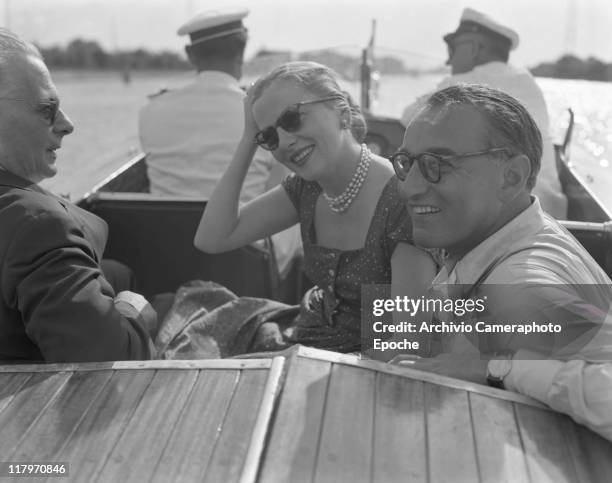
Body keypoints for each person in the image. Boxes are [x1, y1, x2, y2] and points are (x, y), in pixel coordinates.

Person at [391, 83, 612, 441]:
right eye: (406, 163)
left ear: (511, 178)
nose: (410, 187)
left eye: (438, 165)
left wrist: (498, 367)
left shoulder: (516, 287)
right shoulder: (506, 235)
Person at [189, 61, 436, 354]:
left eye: (293, 119)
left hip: (367, 364)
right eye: (269, 136)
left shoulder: (400, 202)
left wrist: (305, 362)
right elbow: (213, 238)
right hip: (304, 337)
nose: (284, 142)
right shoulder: (306, 188)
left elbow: (412, 343)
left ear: (342, 113)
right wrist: (248, 140)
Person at [0, 29, 156, 363]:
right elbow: (108, 369)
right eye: (47, 108)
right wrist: (136, 310)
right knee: (161, 296)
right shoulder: (37, 226)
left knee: (116, 271)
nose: (67, 124)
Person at [138, 7, 299, 277]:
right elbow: (279, 188)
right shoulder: (262, 111)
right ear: (243, 47)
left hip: (167, 253)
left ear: (190, 55)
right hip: (246, 258)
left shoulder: (151, 110)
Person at [400, 7, 567, 219]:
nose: (448, 61)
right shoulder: (525, 79)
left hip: (504, 212)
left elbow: (409, 117)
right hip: (553, 211)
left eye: (452, 49)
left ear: (473, 47)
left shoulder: (465, 84)